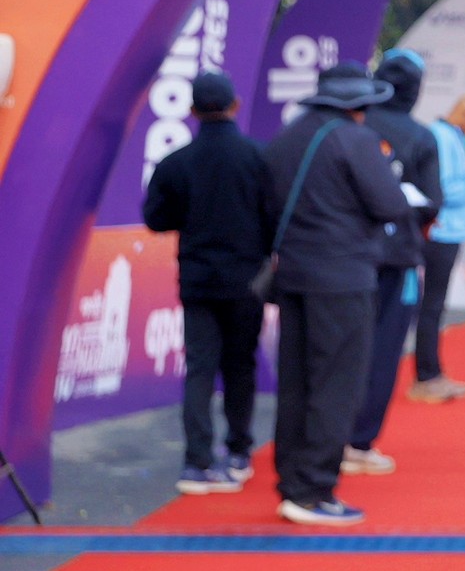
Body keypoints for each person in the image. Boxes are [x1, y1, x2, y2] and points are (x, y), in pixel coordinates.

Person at [263, 61, 413, 526]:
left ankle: (293, 481)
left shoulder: (288, 136)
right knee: (336, 383)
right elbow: (391, 203)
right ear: (360, 103)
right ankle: (313, 489)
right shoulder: (355, 140)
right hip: (344, 277)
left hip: (293, 273)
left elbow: (265, 201)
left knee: (296, 381)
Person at [140, 70, 278, 493]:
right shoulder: (258, 158)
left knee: (200, 367)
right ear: (235, 105)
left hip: (198, 279)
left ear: (193, 111)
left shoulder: (176, 162)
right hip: (246, 280)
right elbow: (275, 217)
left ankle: (196, 462)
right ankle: (238, 452)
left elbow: (155, 218)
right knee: (240, 364)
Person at [346, 46, 443, 475]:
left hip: (351, 255)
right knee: (384, 350)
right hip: (398, 258)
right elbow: (433, 202)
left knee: (342, 346)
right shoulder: (421, 137)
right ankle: (359, 441)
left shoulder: (355, 127)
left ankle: (329, 436)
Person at [409, 92, 465, 405]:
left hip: (445, 230)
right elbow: (445, 189)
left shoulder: (446, 136)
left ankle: (431, 372)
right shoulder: (442, 138)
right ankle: (426, 375)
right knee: (432, 304)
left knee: (433, 304)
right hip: (442, 230)